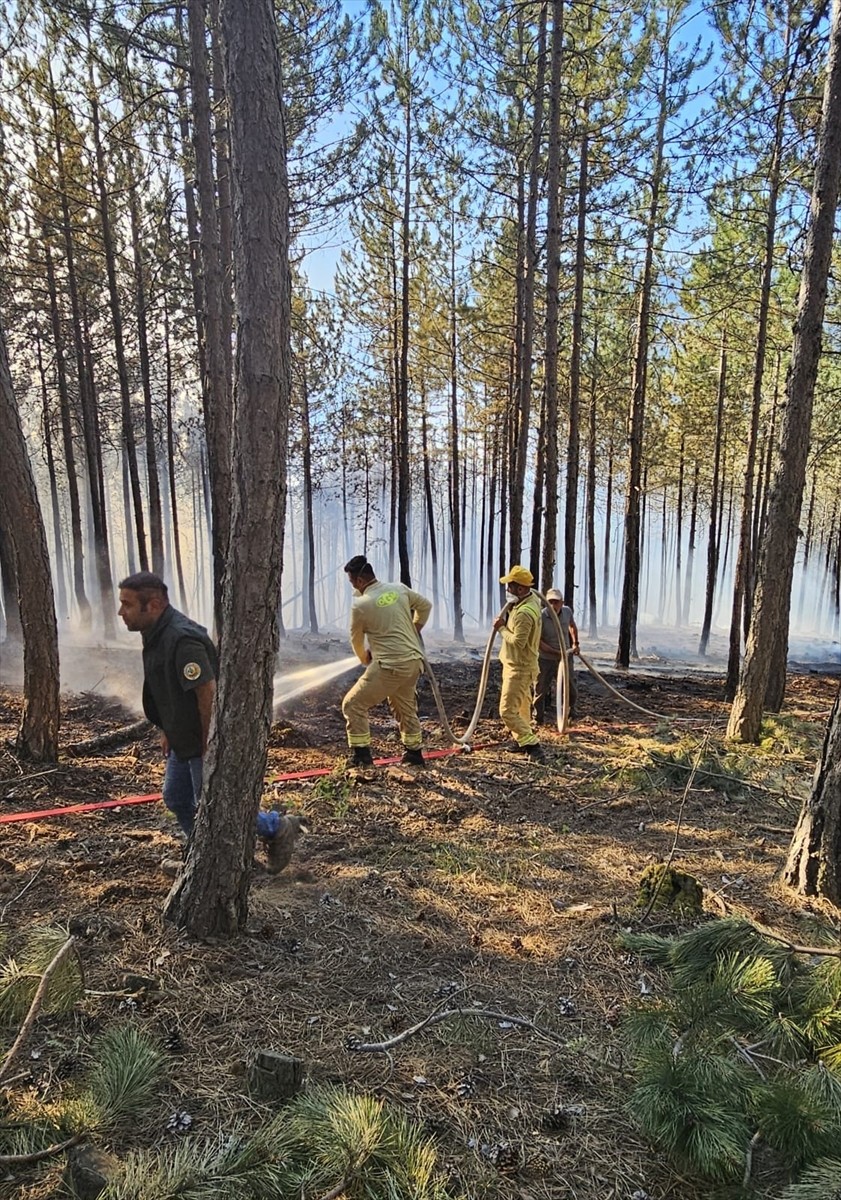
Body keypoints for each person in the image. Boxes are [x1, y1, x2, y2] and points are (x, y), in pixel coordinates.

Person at [117, 572, 286, 868]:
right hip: (183, 736)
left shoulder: (182, 639)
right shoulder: (156, 632)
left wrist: (210, 743)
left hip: (201, 739)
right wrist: (167, 728)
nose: (121, 612)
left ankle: (274, 828)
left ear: (153, 604)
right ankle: (203, 855)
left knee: (217, 806)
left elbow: (207, 693)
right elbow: (168, 688)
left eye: (127, 605)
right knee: (177, 797)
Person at [341, 555, 432, 768]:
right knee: (404, 705)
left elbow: (355, 639)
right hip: (413, 663)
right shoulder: (398, 589)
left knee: (353, 704)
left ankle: (361, 757)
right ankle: (414, 753)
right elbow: (425, 606)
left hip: (390, 666)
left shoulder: (361, 605)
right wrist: (415, 628)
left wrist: (364, 658)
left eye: (352, 581)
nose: (352, 586)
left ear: (361, 580)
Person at [493, 565, 544, 761]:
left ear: (521, 589)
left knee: (506, 711)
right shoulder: (528, 602)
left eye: (510, 587)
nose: (508, 590)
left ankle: (532, 745)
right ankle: (521, 739)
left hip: (519, 668)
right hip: (518, 664)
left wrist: (501, 628)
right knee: (522, 708)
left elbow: (518, 642)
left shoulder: (524, 612)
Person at [535, 588, 580, 724]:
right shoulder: (541, 616)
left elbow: (572, 626)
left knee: (570, 687)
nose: (553, 606)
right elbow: (538, 641)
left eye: (556, 602)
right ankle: (537, 718)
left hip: (565, 658)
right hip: (546, 659)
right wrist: (556, 652)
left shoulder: (567, 611)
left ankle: (570, 712)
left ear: (562, 602)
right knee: (540, 689)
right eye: (550, 602)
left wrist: (575, 643)